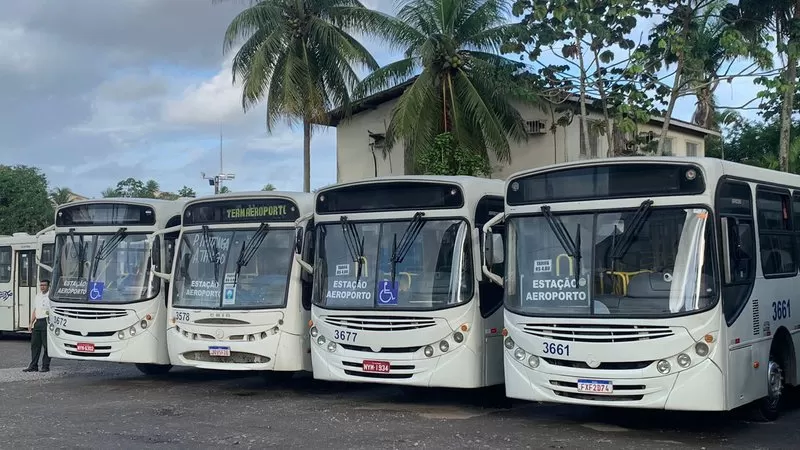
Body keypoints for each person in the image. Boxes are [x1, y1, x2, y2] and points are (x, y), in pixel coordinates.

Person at [24, 279, 52, 373]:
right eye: (41, 285)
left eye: (44, 285)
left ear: (48, 286)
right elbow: (35, 310)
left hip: (46, 321)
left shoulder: (51, 296)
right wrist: (31, 323)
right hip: (38, 322)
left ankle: (45, 366)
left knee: (47, 346)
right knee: (35, 345)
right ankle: (33, 366)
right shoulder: (38, 296)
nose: (42, 287)